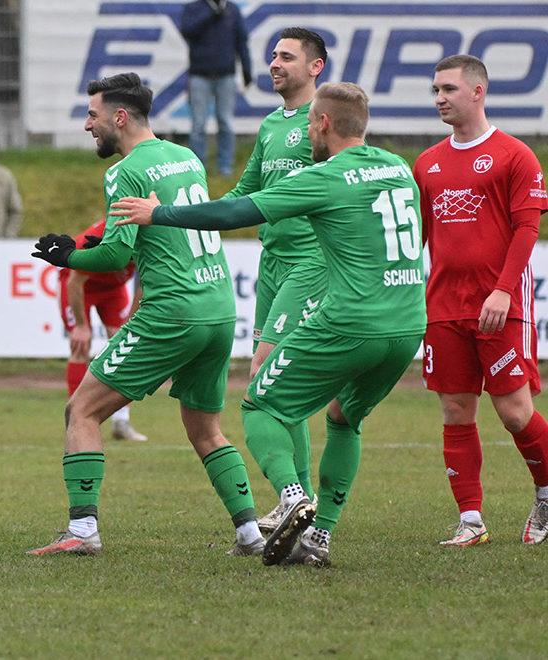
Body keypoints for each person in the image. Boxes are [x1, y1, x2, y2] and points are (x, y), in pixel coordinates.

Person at [111, 82, 427, 567]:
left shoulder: (324, 177)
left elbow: (236, 210)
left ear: (323, 123)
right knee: (344, 418)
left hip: (351, 319)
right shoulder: (398, 167)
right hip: (408, 324)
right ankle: (318, 539)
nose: (305, 131)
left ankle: (291, 494)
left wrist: (160, 213)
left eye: (309, 123)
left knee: (261, 400)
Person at [28, 72, 263, 557]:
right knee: (205, 429)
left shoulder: (124, 171)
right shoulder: (186, 156)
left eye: (93, 115)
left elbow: (115, 257)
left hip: (172, 311)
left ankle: (83, 532)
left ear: (119, 116)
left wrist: (66, 255)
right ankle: (249, 534)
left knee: (82, 410)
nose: (88, 125)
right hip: (218, 310)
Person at [413, 54, 548, 547]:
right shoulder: (426, 163)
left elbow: (527, 228)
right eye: (435, 90)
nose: (440, 99)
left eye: (448, 89)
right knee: (455, 411)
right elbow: (421, 239)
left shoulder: (515, 155)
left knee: (514, 413)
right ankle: (471, 520)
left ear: (478, 92)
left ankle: (547, 494)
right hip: (445, 306)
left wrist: (502, 289)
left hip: (500, 303)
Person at [222, 27, 329, 534]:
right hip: (272, 261)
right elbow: (247, 192)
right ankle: (301, 502)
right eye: (272, 56)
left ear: (316, 66)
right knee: (271, 375)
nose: (274, 64)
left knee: (268, 371)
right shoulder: (269, 126)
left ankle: (297, 500)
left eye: (287, 56)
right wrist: (183, 214)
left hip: (311, 261)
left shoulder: (328, 122)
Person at [59, 220, 146, 442]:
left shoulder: (148, 231)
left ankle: (121, 422)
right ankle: (75, 422)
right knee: (80, 345)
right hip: (81, 287)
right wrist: (80, 325)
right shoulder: (100, 236)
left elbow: (144, 285)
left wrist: (131, 322)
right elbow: (74, 282)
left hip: (113, 289)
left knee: (126, 348)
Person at [178, 0, 252, 176]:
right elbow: (187, 31)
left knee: (225, 122)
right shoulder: (194, 8)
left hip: (225, 75)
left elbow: (242, 42)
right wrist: (210, 15)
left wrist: (247, 71)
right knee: (198, 125)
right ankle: (197, 168)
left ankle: (225, 167)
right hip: (199, 75)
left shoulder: (232, 9)